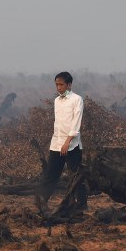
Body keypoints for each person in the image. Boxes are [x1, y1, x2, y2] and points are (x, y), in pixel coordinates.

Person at [39, 71, 87, 209]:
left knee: (76, 175)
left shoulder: (77, 100)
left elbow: (76, 124)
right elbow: (58, 124)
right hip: (57, 143)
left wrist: (67, 142)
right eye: (57, 85)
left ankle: (81, 205)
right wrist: (58, 142)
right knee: (51, 174)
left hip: (72, 145)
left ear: (69, 85)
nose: (59, 88)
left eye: (61, 85)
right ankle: (42, 202)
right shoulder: (57, 101)